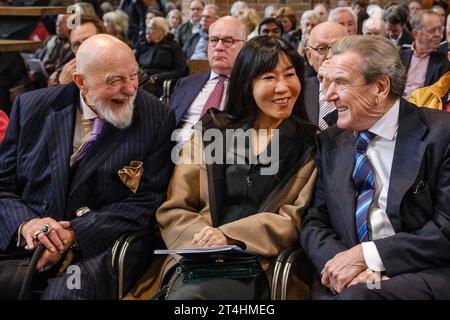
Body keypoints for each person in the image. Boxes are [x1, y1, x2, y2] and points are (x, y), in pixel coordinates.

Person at [129, 35, 317, 300]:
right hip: (198, 258)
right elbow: (176, 207)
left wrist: (229, 237)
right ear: (246, 83)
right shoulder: (211, 132)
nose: (283, 87)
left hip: (261, 263)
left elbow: (293, 218)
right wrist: (205, 240)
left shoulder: (310, 144)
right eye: (269, 78)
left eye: (290, 75)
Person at [0, 34, 175, 300]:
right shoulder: (32, 107)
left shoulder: (155, 117)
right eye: (114, 80)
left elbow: (148, 200)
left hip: (97, 244)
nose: (129, 89)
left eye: (133, 76)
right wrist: (27, 225)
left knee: (64, 296)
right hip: (24, 240)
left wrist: (73, 234)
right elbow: (3, 185)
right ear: (81, 82)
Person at [301, 35, 450, 300]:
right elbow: (315, 221)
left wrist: (369, 257)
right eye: (327, 82)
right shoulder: (331, 140)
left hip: (422, 273)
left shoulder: (441, 134)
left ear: (380, 86)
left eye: (341, 82)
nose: (329, 95)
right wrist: (344, 266)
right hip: (349, 279)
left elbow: (445, 229)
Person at [170, 16, 247, 147]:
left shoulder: (251, 87)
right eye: (214, 40)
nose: (219, 47)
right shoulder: (185, 84)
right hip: (174, 155)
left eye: (228, 41)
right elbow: (167, 125)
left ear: (245, 46)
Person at [303, 22, 347, 130]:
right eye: (321, 49)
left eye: (337, 48)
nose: (329, 56)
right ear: (309, 56)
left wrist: (331, 98)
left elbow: (351, 140)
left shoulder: (364, 89)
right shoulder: (299, 90)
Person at [401, 9, 450, 98]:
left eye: (440, 29)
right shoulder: (400, 56)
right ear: (416, 34)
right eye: (432, 31)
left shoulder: (444, 61)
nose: (438, 35)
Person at [136, 17, 187, 97]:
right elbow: (133, 64)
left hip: (160, 83)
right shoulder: (142, 44)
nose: (147, 32)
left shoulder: (173, 46)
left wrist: (157, 78)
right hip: (140, 79)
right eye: (147, 28)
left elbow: (180, 70)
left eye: (152, 29)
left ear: (162, 31)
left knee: (145, 91)